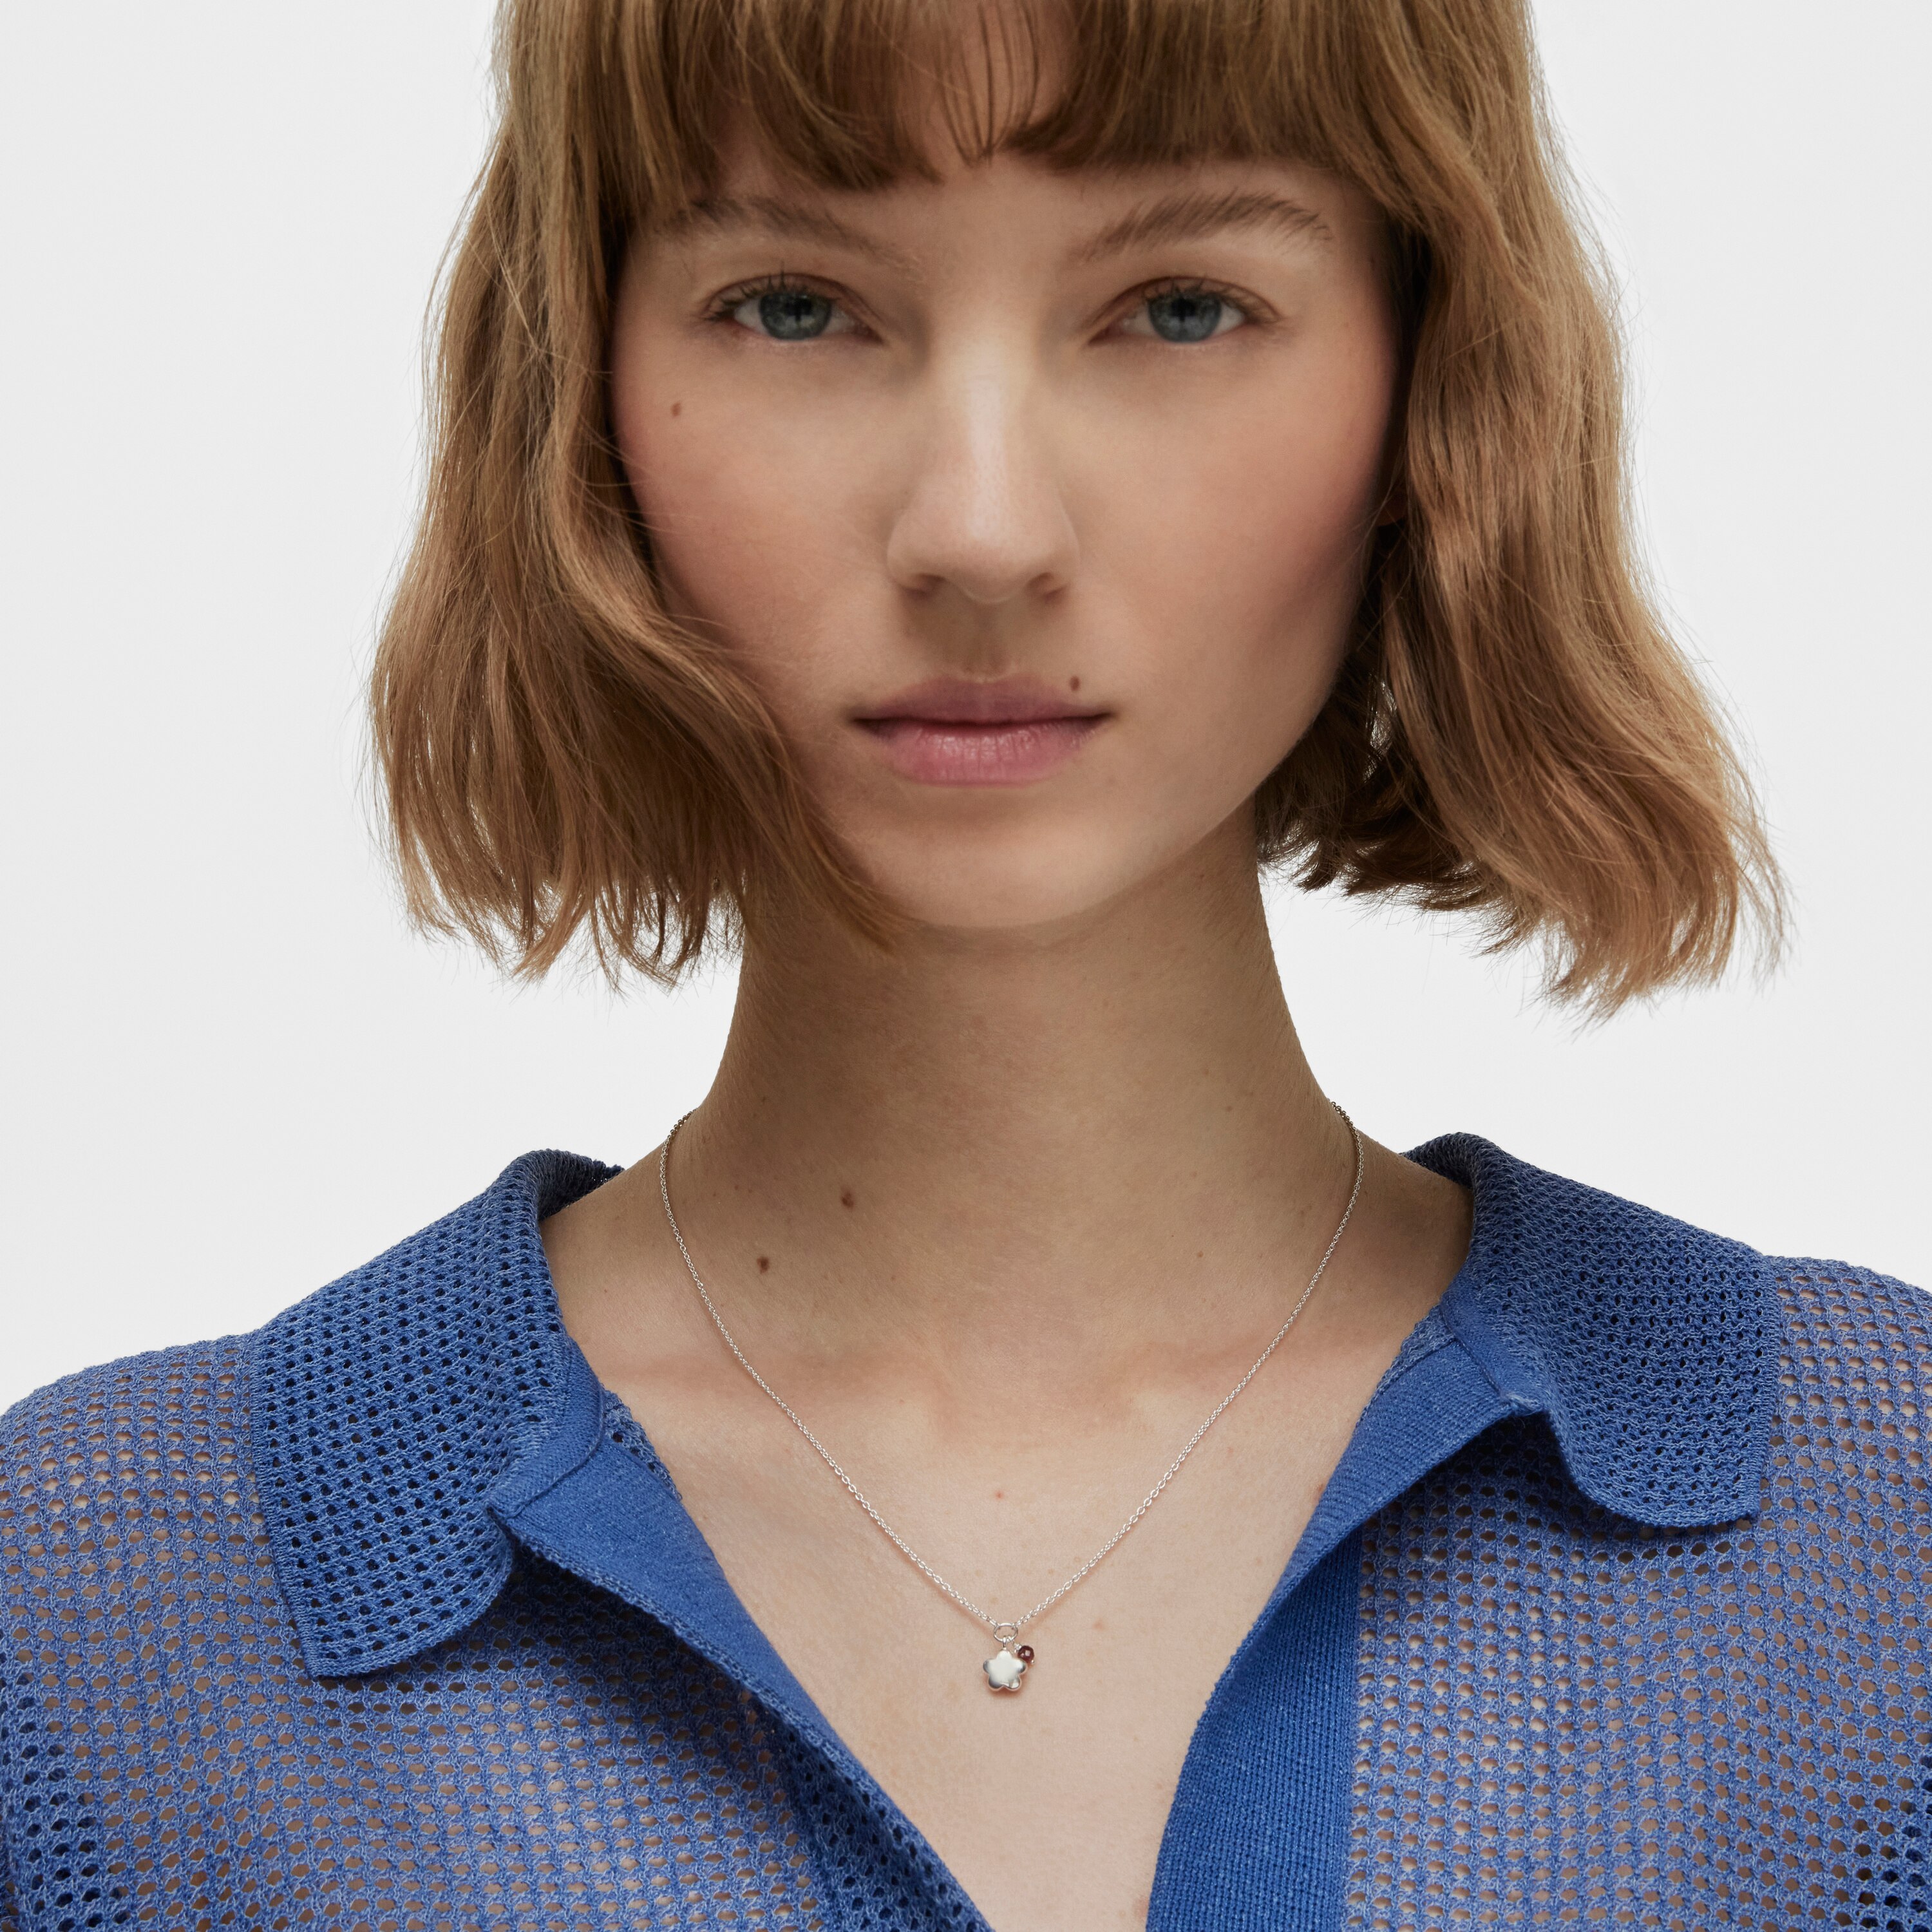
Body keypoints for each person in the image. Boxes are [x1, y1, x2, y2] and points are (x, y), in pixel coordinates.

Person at [1, 0, 1924, 1926]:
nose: (981, 532)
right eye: (793, 305)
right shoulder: (99, 1626)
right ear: (581, 381)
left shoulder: (1881, 1538)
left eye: (1179, 306)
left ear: (1432, 379)